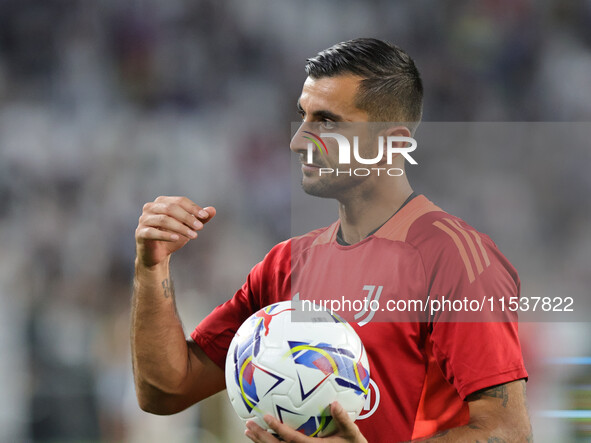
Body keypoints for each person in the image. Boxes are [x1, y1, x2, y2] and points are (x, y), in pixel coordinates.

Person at [132, 38, 532, 442]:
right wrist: (152, 268)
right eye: (303, 116)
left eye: (326, 121)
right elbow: (166, 390)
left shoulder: (454, 259)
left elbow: (508, 433)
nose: (298, 140)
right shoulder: (286, 265)